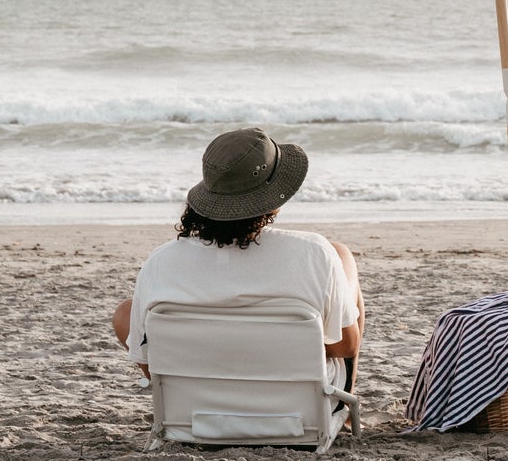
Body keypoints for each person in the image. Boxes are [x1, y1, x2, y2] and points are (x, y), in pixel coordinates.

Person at [111, 126, 364, 390]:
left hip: (197, 413)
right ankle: (346, 413)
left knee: (127, 313)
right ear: (274, 198)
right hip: (297, 413)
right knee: (341, 254)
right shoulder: (314, 253)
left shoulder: (161, 262)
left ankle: (186, 394)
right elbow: (346, 345)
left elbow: (148, 361)